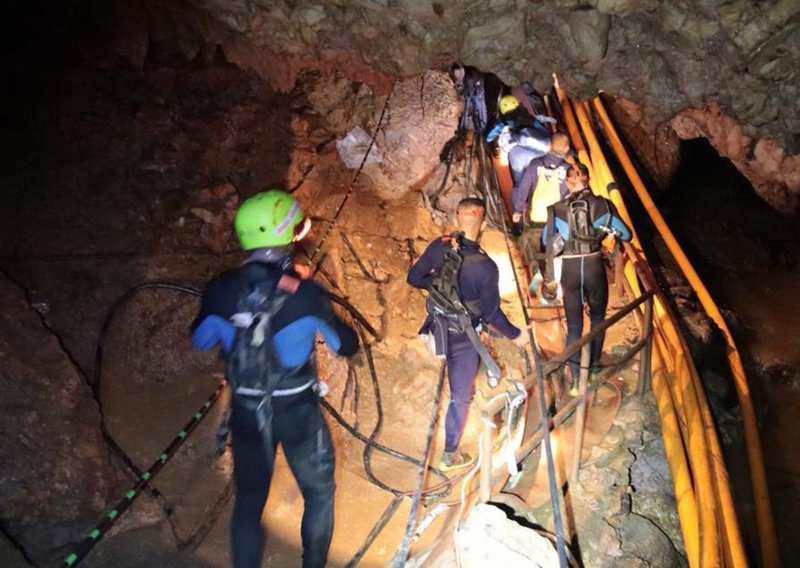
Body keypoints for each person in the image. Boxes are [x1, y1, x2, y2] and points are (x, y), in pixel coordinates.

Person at [190, 189, 358, 568]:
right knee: (318, 491)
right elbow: (345, 345)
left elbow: (200, 341)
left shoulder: (219, 289)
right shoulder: (306, 293)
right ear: (287, 233)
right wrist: (313, 296)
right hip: (297, 408)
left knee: (249, 501)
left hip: (248, 408)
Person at [407, 197, 529, 471]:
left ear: (455, 219)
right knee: (460, 396)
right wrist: (516, 335)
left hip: (435, 328)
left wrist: (438, 287)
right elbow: (491, 315)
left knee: (457, 371)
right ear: (483, 223)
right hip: (463, 338)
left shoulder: (438, 247)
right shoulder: (485, 266)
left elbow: (414, 278)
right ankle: (449, 454)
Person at [541, 164, 631, 392]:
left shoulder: (556, 209)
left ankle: (574, 381)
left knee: (574, 326)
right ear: (589, 179)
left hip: (570, 271)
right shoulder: (602, 204)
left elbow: (546, 240)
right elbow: (627, 233)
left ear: (567, 182)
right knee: (598, 320)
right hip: (593, 268)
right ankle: (592, 370)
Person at [511, 132, 572, 293]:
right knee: (553, 250)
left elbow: (523, 188)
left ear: (550, 145)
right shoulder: (568, 170)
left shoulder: (535, 164)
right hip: (556, 219)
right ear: (566, 148)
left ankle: (535, 277)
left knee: (532, 246)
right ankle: (550, 284)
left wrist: (517, 209)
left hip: (535, 216)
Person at [486, 94, 555, 184]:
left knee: (520, 181)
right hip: (539, 150)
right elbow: (543, 131)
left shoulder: (503, 123)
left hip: (520, 155)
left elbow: (489, 137)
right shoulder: (530, 118)